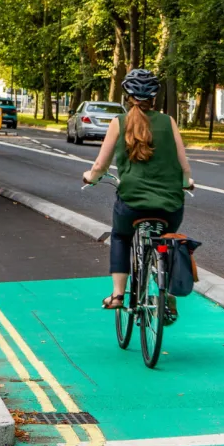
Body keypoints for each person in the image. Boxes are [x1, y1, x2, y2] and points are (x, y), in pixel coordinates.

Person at [82, 69, 193, 312]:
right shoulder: (168, 122)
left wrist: (90, 177)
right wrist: (187, 182)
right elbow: (184, 165)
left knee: (121, 237)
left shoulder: (118, 123)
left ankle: (118, 295)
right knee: (167, 239)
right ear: (155, 98)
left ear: (127, 97)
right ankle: (168, 291)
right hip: (170, 205)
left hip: (132, 204)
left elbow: (100, 165)